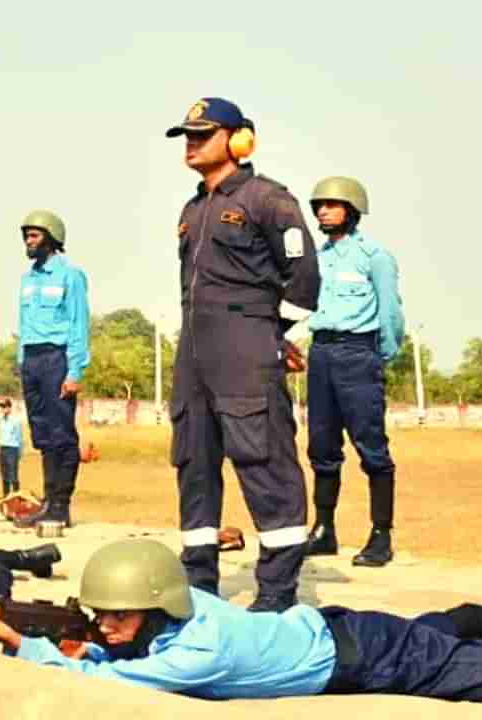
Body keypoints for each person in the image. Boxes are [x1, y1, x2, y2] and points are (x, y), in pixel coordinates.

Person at [0, 538, 482, 708]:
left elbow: (112, 684)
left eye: (119, 615)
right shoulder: (187, 605)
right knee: (428, 634)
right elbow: (116, 649)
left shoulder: (198, 654)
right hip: (342, 631)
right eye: (102, 614)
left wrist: (19, 641)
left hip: (362, 655)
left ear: (158, 607)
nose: (106, 626)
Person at [165, 97, 321, 612]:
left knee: (265, 461)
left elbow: (303, 278)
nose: (191, 142)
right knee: (193, 462)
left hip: (246, 349)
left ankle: (275, 596)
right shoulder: (191, 210)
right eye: (186, 135)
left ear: (238, 140)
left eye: (202, 134)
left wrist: (272, 333)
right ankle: (198, 589)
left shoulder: (267, 200)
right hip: (193, 353)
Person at [303, 177, 405, 568]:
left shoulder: (374, 256)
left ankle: (381, 536)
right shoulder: (318, 257)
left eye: (332, 204)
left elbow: (391, 312)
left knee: (372, 448)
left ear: (352, 209)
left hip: (358, 354)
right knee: (322, 448)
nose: (323, 211)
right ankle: (324, 530)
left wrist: (380, 356)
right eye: (319, 206)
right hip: (322, 353)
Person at [13, 210, 90, 528]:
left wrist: (75, 371)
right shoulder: (27, 278)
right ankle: (48, 501)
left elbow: (79, 324)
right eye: (26, 236)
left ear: (52, 238)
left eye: (34, 236)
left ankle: (61, 504)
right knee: (42, 435)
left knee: (62, 435)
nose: (29, 242)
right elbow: (22, 321)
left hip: (56, 357)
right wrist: (20, 360)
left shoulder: (70, 274)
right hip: (31, 359)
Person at [0, 399, 23, 495]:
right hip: (3, 449)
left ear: (9, 408)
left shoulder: (16, 421)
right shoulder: (0, 421)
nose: (2, 409)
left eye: (4, 407)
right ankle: (6, 498)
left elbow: (19, 438)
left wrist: (20, 453)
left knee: (13, 476)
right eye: (1, 407)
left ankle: (16, 497)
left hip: (12, 449)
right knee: (4, 475)